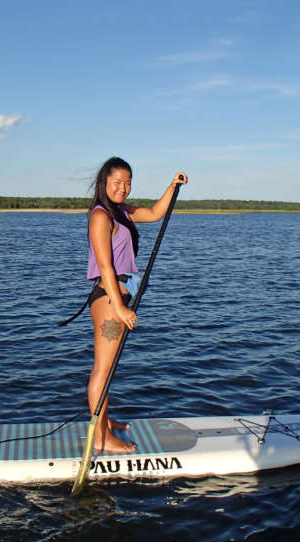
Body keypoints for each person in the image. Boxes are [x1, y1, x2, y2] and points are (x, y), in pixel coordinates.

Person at [84, 156, 187, 454]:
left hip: (121, 293)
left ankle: (105, 419)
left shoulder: (121, 212)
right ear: (105, 182)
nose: (123, 188)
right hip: (109, 297)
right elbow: (105, 267)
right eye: (117, 182)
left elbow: (155, 213)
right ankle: (100, 437)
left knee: (110, 368)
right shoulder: (101, 216)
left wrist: (172, 186)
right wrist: (119, 308)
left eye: (128, 182)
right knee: (102, 369)